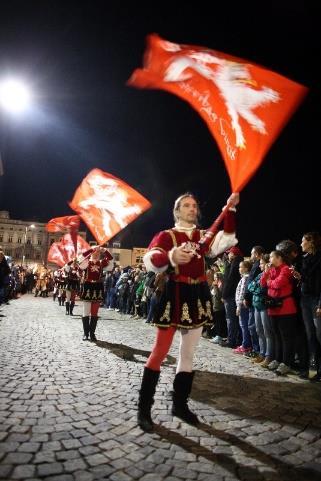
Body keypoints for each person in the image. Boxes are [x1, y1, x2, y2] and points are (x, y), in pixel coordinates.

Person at [137, 192, 239, 431]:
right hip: (174, 294)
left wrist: (231, 209)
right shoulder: (167, 235)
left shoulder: (204, 237)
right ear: (177, 211)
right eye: (186, 205)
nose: (192, 209)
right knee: (159, 352)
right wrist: (172, 255)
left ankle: (180, 404)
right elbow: (152, 259)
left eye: (194, 205)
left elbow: (229, 238)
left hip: (197, 295)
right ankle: (144, 409)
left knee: (188, 354)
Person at [78, 246, 113, 341]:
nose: (96, 254)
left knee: (94, 312)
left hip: (98, 287)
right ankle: (85, 334)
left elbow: (110, 259)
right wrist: (90, 249)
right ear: (92, 253)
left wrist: (104, 250)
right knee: (86, 311)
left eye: (98, 252)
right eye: (95, 252)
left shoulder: (102, 263)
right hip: (88, 286)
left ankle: (92, 334)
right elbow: (80, 259)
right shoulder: (86, 262)